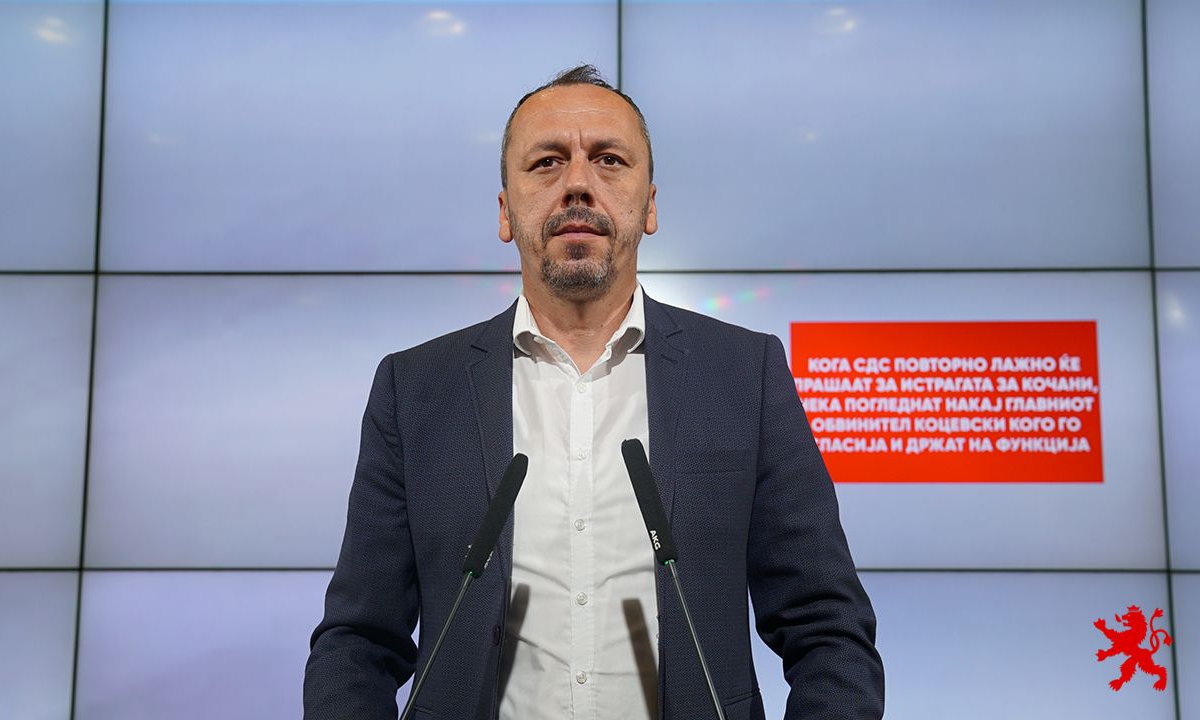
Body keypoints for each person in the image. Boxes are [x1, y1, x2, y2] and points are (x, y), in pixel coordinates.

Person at [304, 65, 883, 720]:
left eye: (609, 160)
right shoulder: (415, 390)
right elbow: (357, 643)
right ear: (505, 212)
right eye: (546, 163)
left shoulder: (744, 375)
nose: (578, 183)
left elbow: (828, 630)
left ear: (650, 205)